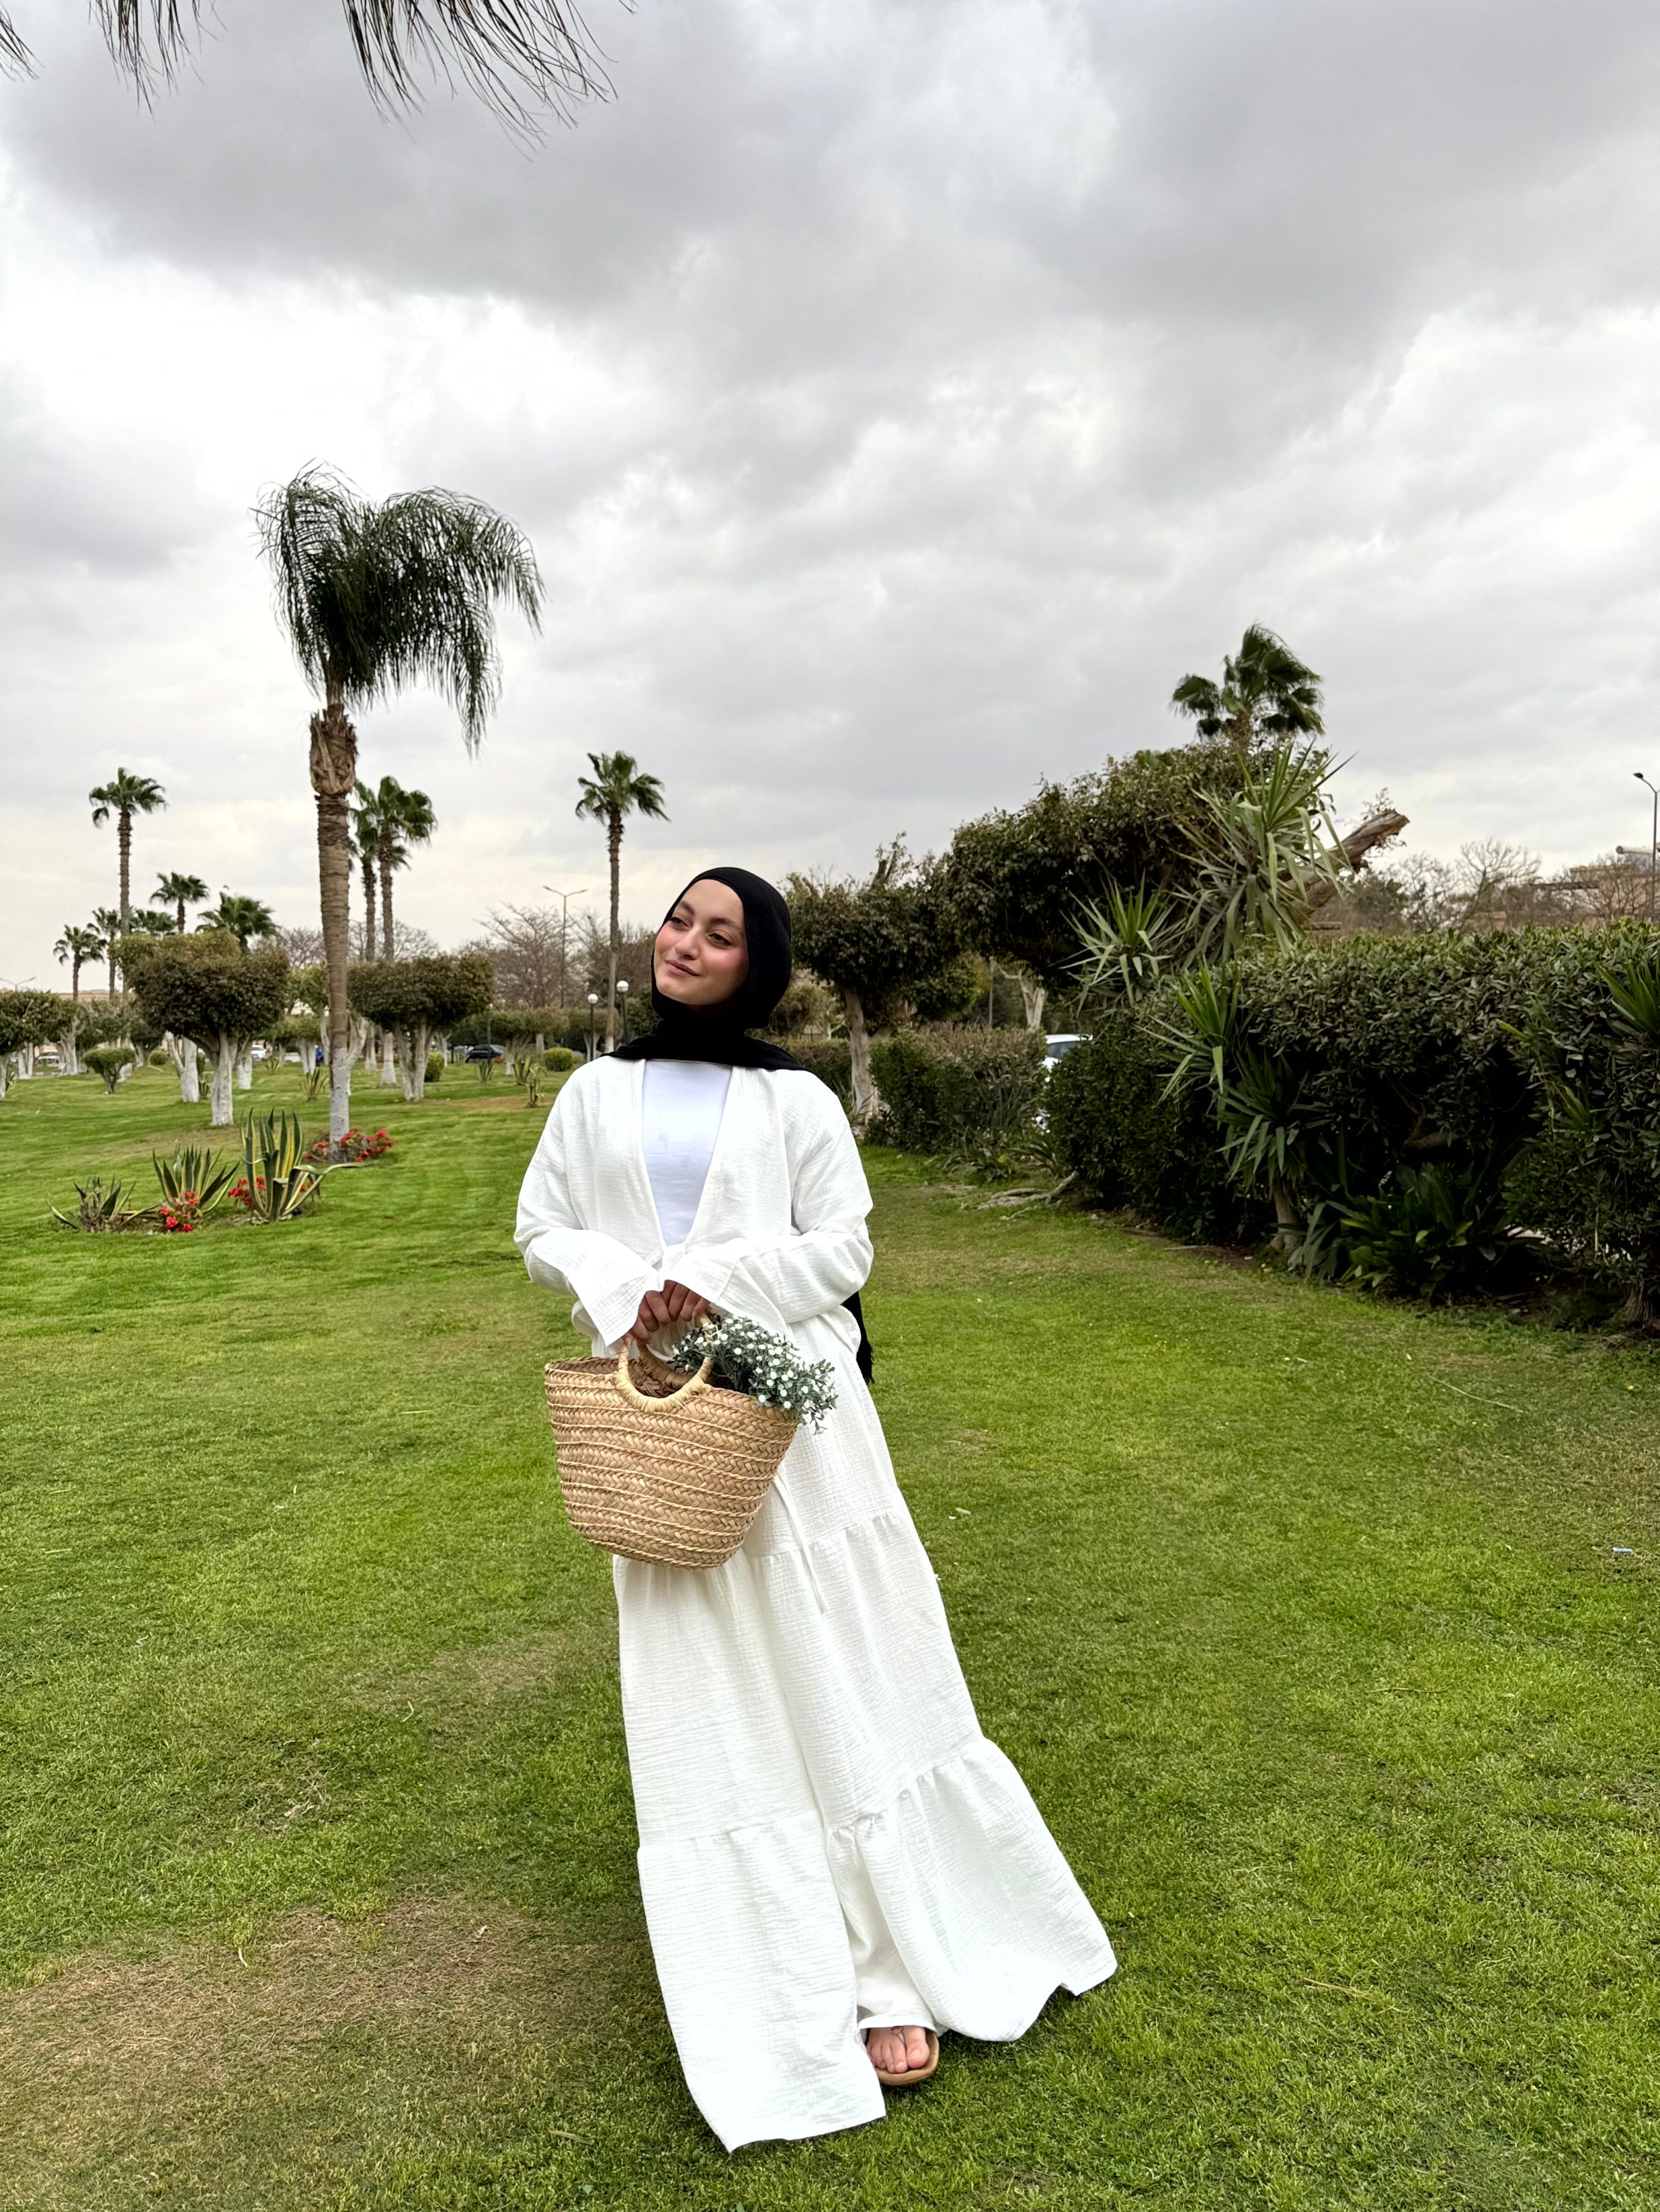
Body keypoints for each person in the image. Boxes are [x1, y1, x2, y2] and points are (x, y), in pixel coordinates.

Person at [514, 867, 1115, 2151]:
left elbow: (843, 1247)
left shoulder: (793, 1096)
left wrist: (706, 1281)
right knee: (716, 1688)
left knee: (847, 1663)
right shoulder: (592, 1087)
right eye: (680, 921)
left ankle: (894, 1966)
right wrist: (632, 1290)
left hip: (798, 1411)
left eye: (720, 934)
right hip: (662, 1420)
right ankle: (785, 1974)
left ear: (759, 963)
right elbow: (543, 1223)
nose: (687, 944)